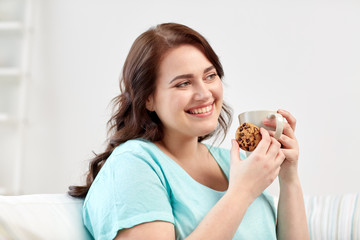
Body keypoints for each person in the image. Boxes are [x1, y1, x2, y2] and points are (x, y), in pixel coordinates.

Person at [69, 23, 309, 240]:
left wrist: (288, 177)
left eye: (210, 76)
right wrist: (242, 192)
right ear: (148, 99)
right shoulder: (132, 165)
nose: (205, 93)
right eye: (183, 83)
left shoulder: (234, 163)